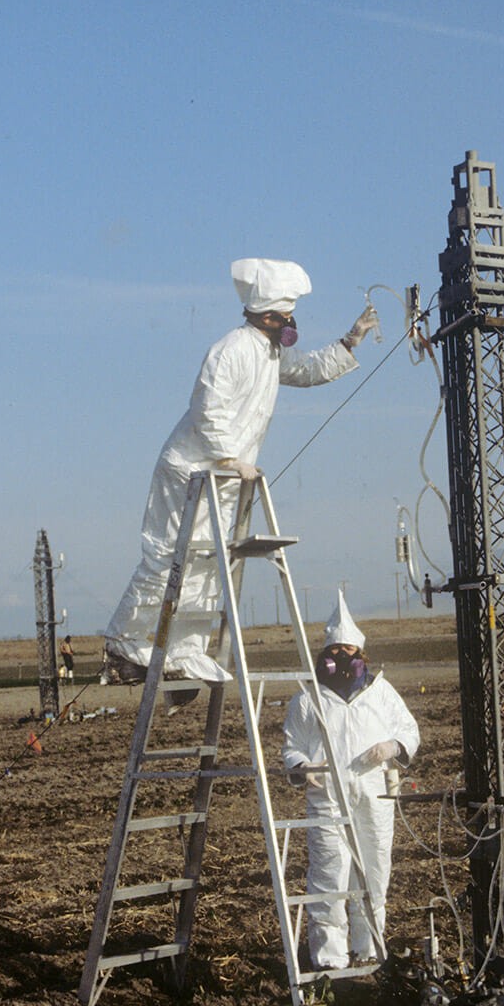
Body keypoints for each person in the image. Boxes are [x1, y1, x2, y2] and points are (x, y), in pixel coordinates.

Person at [105, 258, 378, 707]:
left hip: (226, 475)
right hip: (192, 469)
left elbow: (307, 370)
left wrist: (352, 341)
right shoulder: (230, 349)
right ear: (269, 316)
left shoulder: (270, 353)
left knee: (208, 564)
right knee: (168, 557)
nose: (291, 323)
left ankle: (185, 649)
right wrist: (229, 455)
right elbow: (206, 408)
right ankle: (124, 642)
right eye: (286, 316)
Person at [282, 591, 420, 971]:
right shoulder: (309, 698)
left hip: (373, 794)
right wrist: (302, 767)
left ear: (360, 653)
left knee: (374, 870)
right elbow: (291, 745)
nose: (342, 656)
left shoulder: (380, 692)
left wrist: (393, 746)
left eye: (349, 648)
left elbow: (409, 729)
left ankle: (370, 949)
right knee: (329, 873)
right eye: (336, 649)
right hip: (327, 796)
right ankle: (329, 957)